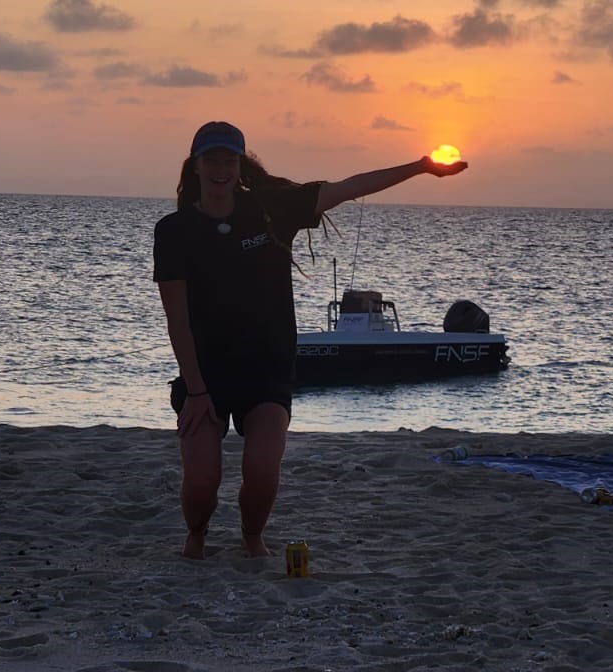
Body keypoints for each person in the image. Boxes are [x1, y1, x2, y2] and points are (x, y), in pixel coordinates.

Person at [154, 120, 468, 559]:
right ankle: (197, 536)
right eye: (212, 160)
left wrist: (420, 167)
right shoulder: (174, 230)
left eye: (230, 160)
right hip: (203, 373)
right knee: (202, 481)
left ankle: (251, 538)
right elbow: (177, 319)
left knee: (262, 472)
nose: (221, 169)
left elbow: (349, 186)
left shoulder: (272, 208)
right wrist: (196, 391)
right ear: (196, 167)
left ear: (241, 165)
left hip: (266, 369)